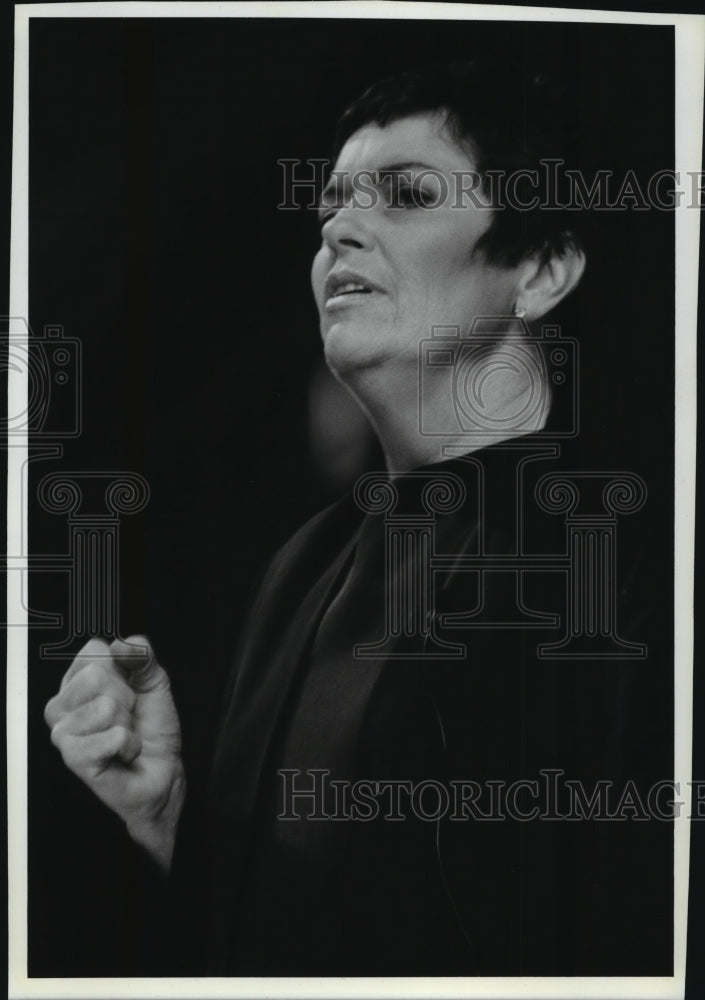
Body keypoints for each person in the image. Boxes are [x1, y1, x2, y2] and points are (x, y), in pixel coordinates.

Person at [44, 62, 672, 976]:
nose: (338, 227)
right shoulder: (301, 564)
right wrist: (168, 823)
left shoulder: (636, 553)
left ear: (540, 269)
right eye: (331, 206)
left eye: (407, 195)